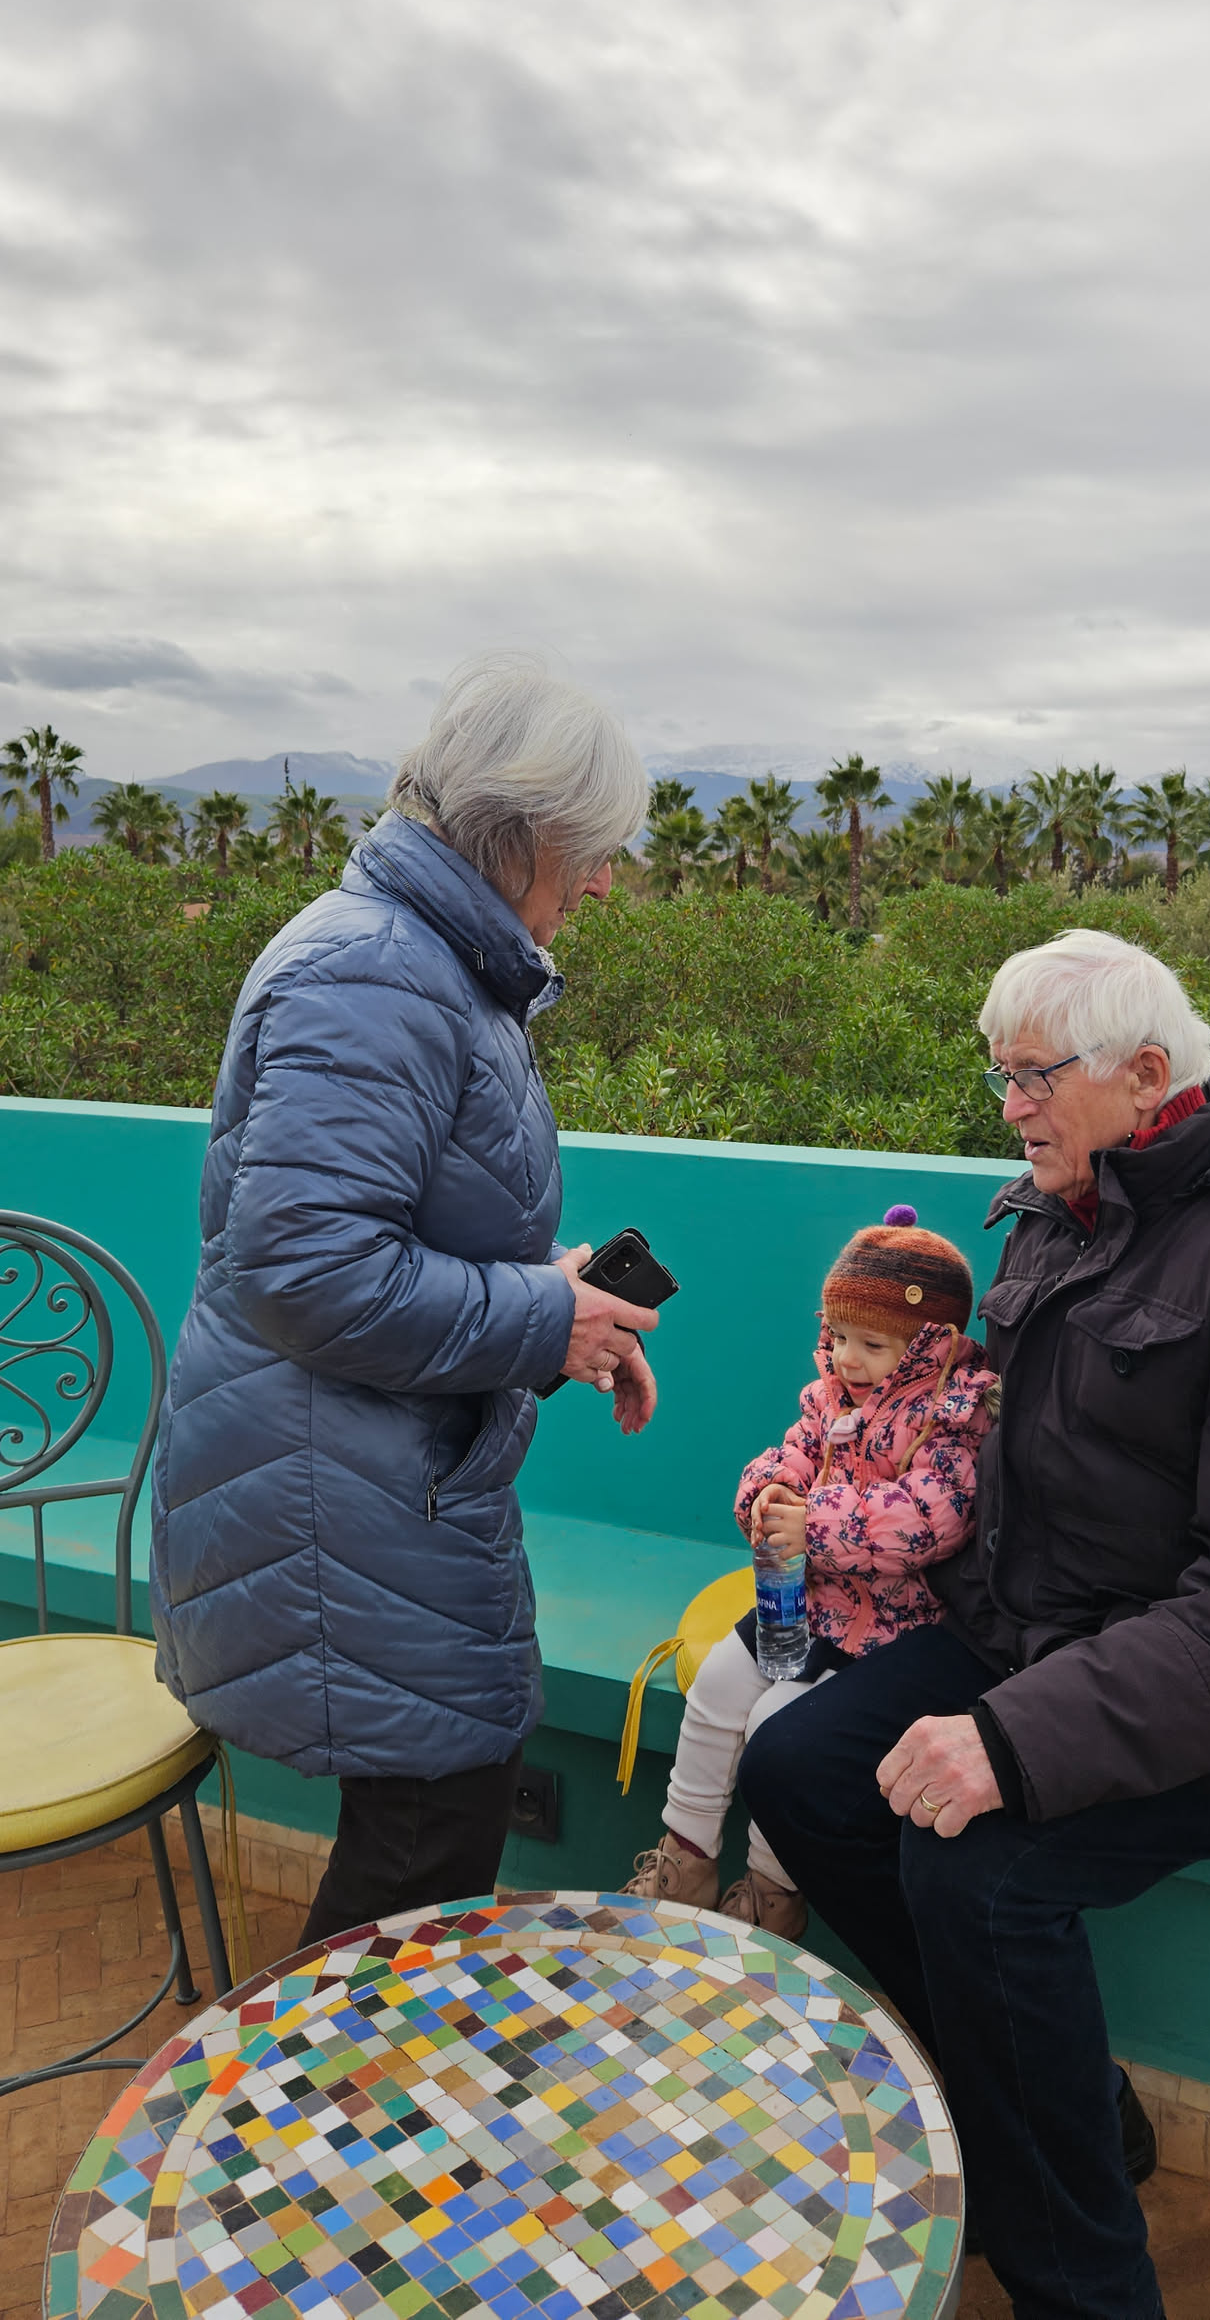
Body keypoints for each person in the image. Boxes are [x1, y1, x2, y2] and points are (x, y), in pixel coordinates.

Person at [740, 929, 1210, 2320]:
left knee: (980, 1876)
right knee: (798, 1766)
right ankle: (1062, 2101)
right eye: (1001, 1075)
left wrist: (1011, 1738)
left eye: (1034, 1076)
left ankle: (1084, 2281)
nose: (1011, 1107)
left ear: (1146, 1075)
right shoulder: (1066, 1210)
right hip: (1043, 1634)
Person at [151, 654, 662, 1947]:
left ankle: (353, 2071)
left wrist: (562, 1303)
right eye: (594, 847)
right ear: (522, 828)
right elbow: (306, 1268)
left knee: (426, 1836)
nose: (605, 881)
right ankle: (303, 2080)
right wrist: (543, 1318)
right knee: (423, 1854)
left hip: (378, 1485)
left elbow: (398, 1227)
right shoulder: (373, 974)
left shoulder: (426, 961)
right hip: (341, 1499)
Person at [628, 1208, 997, 1938]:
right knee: (718, 1689)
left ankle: (774, 1892)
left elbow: (932, 1517)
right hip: (802, 1605)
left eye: (872, 1344)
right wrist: (767, 1493)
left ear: (930, 1346)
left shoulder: (952, 1418)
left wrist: (817, 1524)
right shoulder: (831, 1397)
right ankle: (686, 1857)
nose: (847, 1359)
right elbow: (790, 1455)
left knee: (778, 1728)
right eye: (838, 1336)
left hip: (884, 1631)